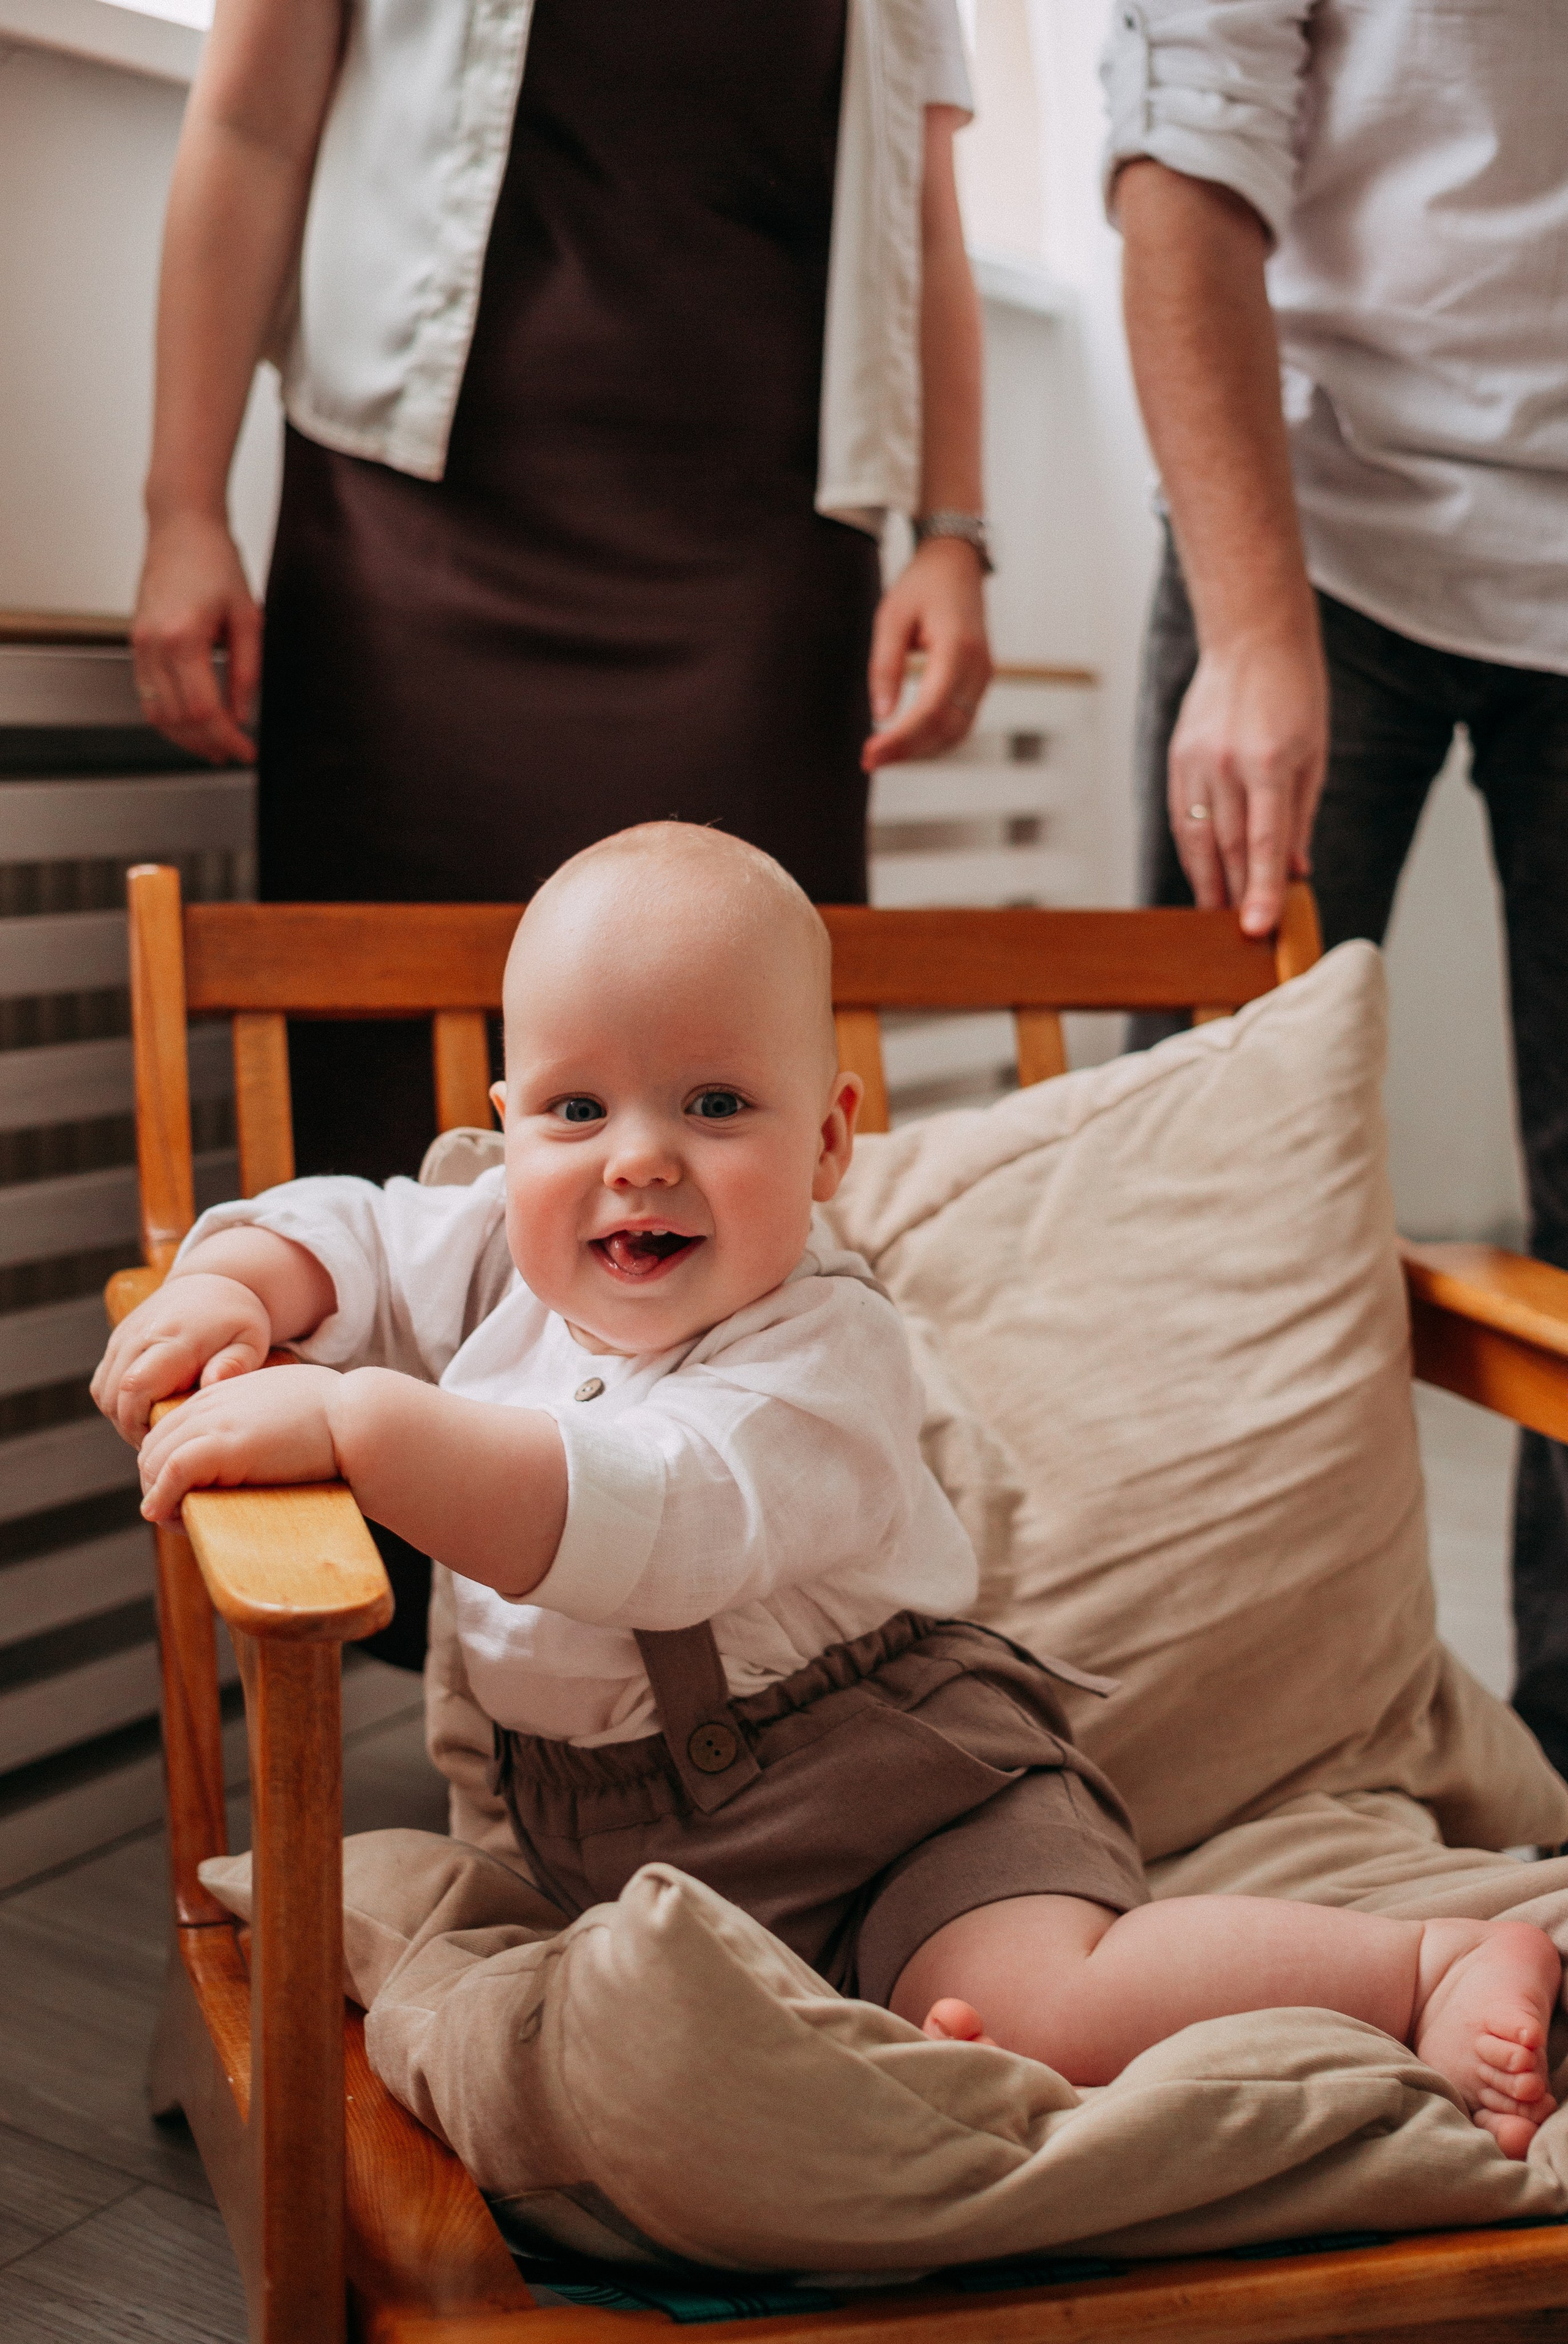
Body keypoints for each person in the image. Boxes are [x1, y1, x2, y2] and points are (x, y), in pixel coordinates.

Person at [95, 822, 1561, 2157]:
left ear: (828, 1140)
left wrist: (360, 1423)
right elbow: (349, 1224)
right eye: (574, 1107)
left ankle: (1416, 1967)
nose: (638, 1158)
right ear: (510, 1118)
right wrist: (237, 1281)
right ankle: (876, 2052)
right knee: (680, 2068)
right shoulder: (496, 1247)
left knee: (1041, 1995)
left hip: (910, 1806)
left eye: (714, 1102)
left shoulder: (825, 1350)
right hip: (624, 1853)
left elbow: (640, 1522)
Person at [129, 0, 993, 1185]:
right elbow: (248, 127)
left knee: (740, 1097)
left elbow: (926, 221)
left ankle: (744, 1380)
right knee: (377, 1086)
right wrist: (182, 509)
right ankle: (370, 1376)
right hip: (408, 549)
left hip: (764, 580)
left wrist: (952, 532)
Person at [1101, 1, 1568, 1774]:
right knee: (1206, 1179)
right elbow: (1183, 163)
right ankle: (1178, 1753)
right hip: (1306, 512)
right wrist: (1247, 629)